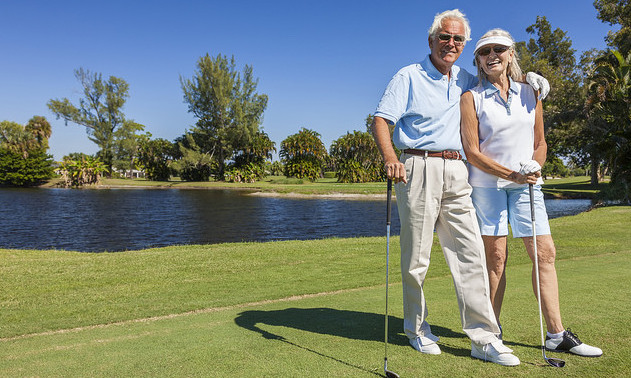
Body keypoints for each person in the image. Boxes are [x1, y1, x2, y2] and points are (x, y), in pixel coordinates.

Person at [371, 9, 548, 366]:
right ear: (432, 40)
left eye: (457, 39)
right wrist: (391, 157)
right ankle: (417, 330)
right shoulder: (408, 75)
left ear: (464, 45)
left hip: (457, 170)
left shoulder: (467, 79)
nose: (450, 43)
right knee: (417, 257)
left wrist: (533, 80)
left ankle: (483, 337)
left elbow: (501, 83)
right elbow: (381, 119)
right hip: (417, 166)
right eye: (444, 37)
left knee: (470, 252)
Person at [460, 28, 602, 357]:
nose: (492, 55)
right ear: (478, 61)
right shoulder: (471, 98)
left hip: (528, 186)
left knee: (545, 255)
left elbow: (540, 142)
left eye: (499, 49)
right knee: (495, 260)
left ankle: (556, 334)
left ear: (511, 54)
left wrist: (536, 166)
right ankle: (490, 335)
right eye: (484, 51)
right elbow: (472, 152)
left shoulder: (531, 92)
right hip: (488, 188)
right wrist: (510, 173)